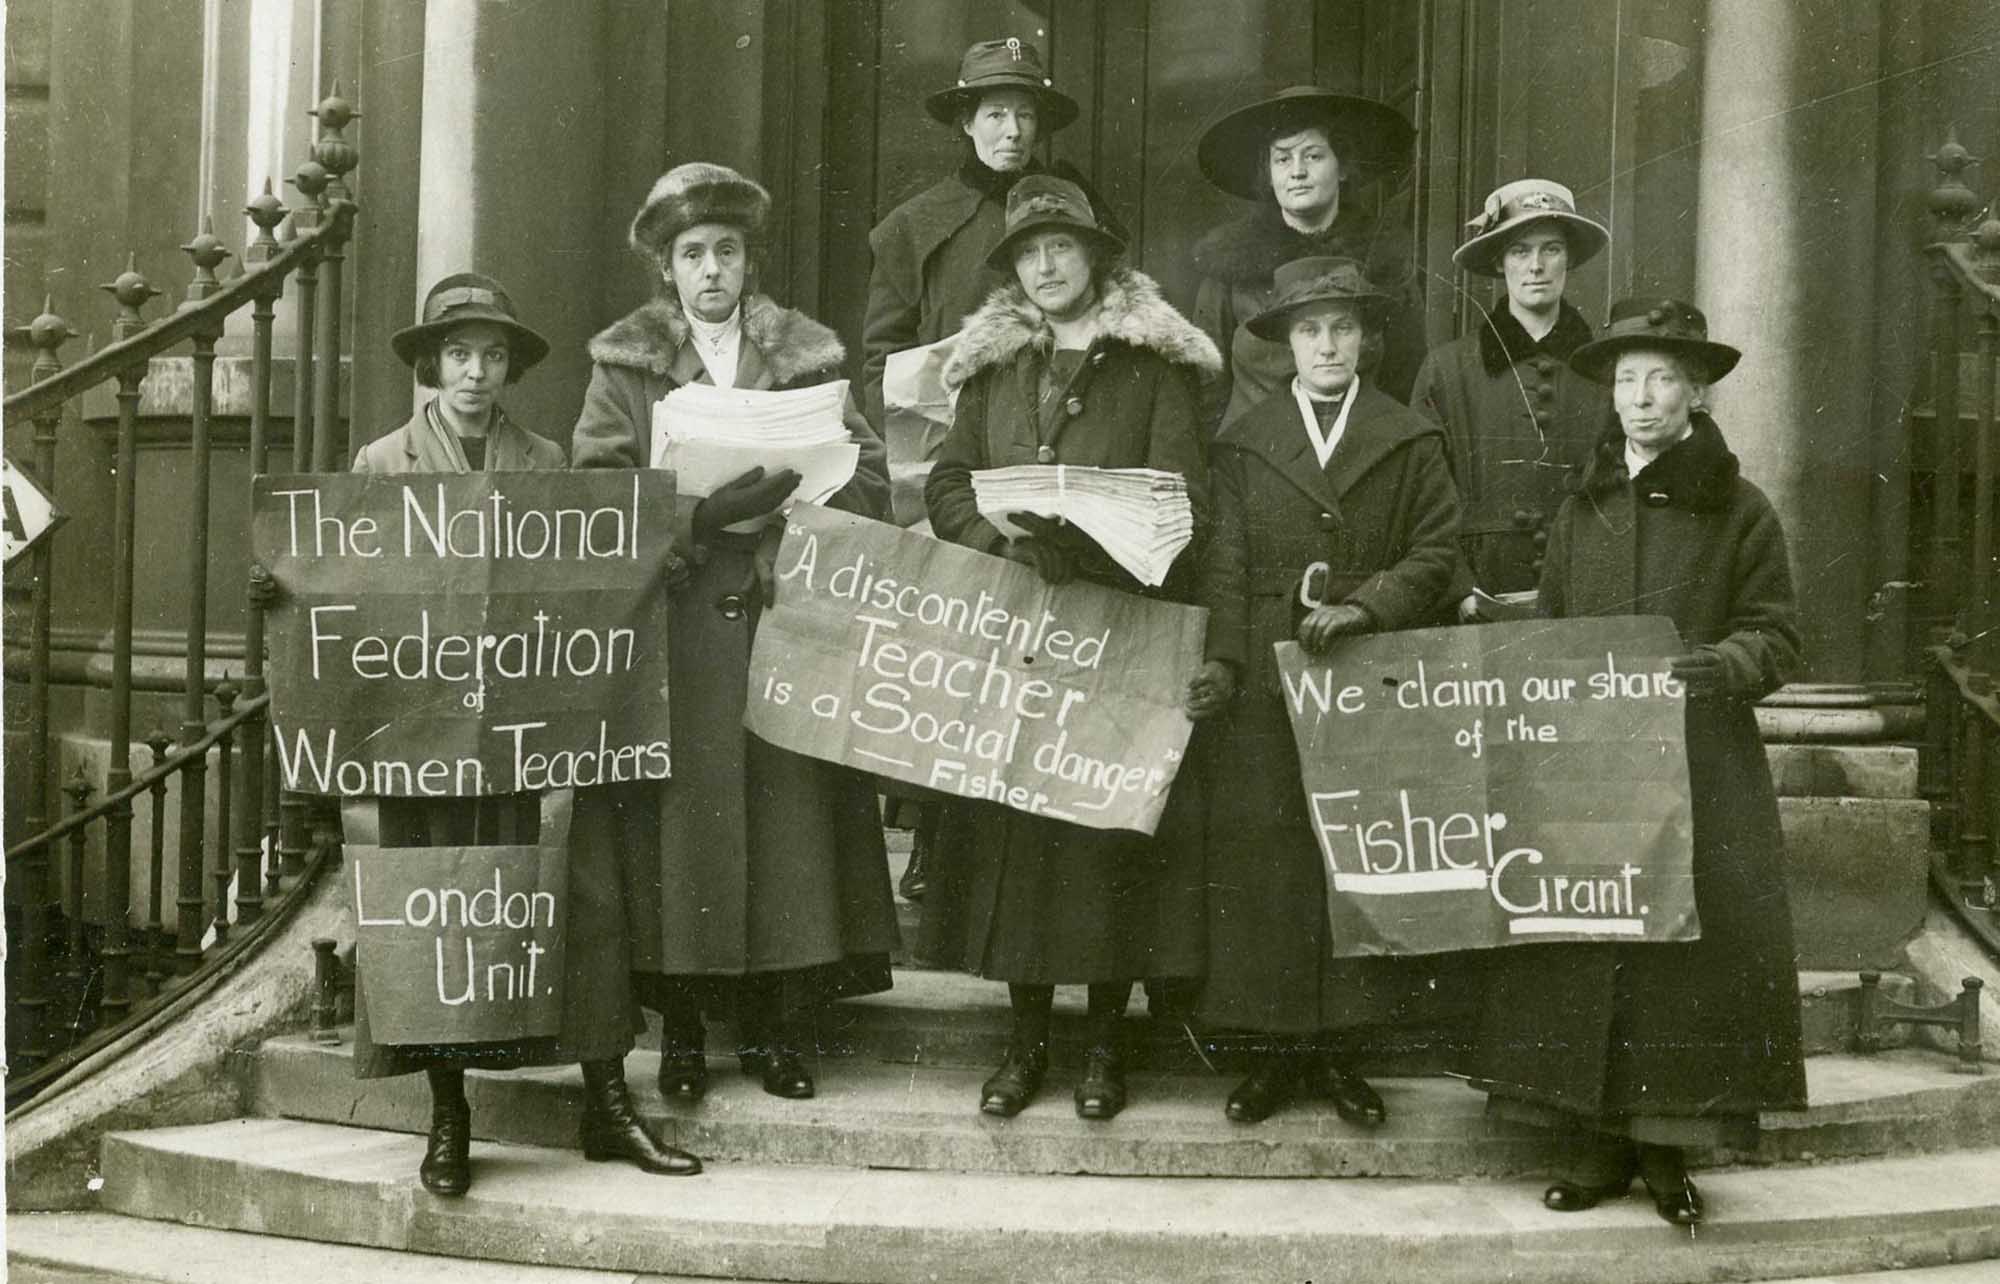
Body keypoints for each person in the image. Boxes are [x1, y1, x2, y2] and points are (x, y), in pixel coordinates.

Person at [349, 272, 700, 1193]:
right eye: (458, 354)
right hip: (429, 738)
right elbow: (344, 594)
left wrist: (652, 554)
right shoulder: (383, 464)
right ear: (430, 365)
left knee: (576, 900)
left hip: (535, 730)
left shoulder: (544, 457)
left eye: (492, 355)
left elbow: (589, 573)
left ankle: (608, 1103)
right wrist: (285, 584)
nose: (475, 372)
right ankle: (448, 1116)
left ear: (509, 370)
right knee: (447, 909)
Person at [1467, 298, 1807, 1226]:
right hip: (1590, 761)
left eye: (1662, 378)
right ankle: (1594, 1144)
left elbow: (1777, 637)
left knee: (1680, 962)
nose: (1641, 398)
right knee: (1591, 941)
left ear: (1696, 392)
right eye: (1625, 379)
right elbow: (1553, 620)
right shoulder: (1585, 504)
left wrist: (1721, 666)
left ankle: (1668, 1153)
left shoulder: (1741, 508)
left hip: (1699, 762)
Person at [570, 163, 899, 1103]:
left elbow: (871, 477)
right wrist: (695, 522)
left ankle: (772, 1028)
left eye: (726, 250)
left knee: (785, 825)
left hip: (782, 619)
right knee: (685, 836)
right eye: (691, 254)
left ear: (750, 261)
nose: (710, 269)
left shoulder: (808, 360)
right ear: (664, 271)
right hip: (680, 631)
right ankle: (681, 1030)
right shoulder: (623, 369)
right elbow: (596, 498)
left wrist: (805, 496)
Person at [924, 174, 1218, 1121]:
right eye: (1028, 252)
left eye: (1063, 247)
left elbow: (1187, 500)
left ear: (1099, 256)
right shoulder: (994, 370)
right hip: (1017, 633)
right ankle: (1025, 1041)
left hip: (1117, 635)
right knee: (1019, 842)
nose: (1047, 265)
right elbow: (947, 486)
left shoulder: (1152, 369)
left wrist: (1095, 540)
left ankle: (1101, 1047)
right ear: (1012, 269)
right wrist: (997, 539)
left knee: (1101, 846)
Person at [1186, 256, 1458, 1127]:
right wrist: (1226, 665)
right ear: (1285, 344)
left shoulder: (1407, 436)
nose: (1328, 344)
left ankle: (1343, 1053)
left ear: (1370, 341)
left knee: (1353, 856)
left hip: (1366, 672)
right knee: (1268, 862)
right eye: (1310, 329)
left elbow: (1437, 550)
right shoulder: (1245, 440)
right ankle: (1270, 1056)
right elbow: (1223, 561)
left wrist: (1368, 605)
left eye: (1344, 327)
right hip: (1270, 673)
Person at [862, 35, 1120, 902]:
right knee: (949, 658)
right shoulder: (914, 225)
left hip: (1056, 448)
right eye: (995, 112)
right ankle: (935, 840)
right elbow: (881, 354)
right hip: (948, 463)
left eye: (1025, 114)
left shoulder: (1079, 213)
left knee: (1045, 651)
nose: (1011, 129)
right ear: (966, 121)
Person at [1410, 179, 1609, 615]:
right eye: (1520, 251)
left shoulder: (1606, 371)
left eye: (1551, 249)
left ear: (1569, 258)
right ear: (1500, 263)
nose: (1536, 265)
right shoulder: (1446, 370)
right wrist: (1460, 590)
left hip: (1587, 591)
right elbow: (1421, 497)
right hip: (1476, 593)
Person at [1190, 86, 1422, 435]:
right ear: (1269, 175)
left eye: (1313, 156)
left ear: (1342, 168)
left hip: (1359, 451)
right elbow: (1205, 380)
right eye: (1282, 159)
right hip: (1252, 458)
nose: (1297, 172)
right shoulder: (1231, 266)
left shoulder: (1383, 260)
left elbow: (1407, 371)